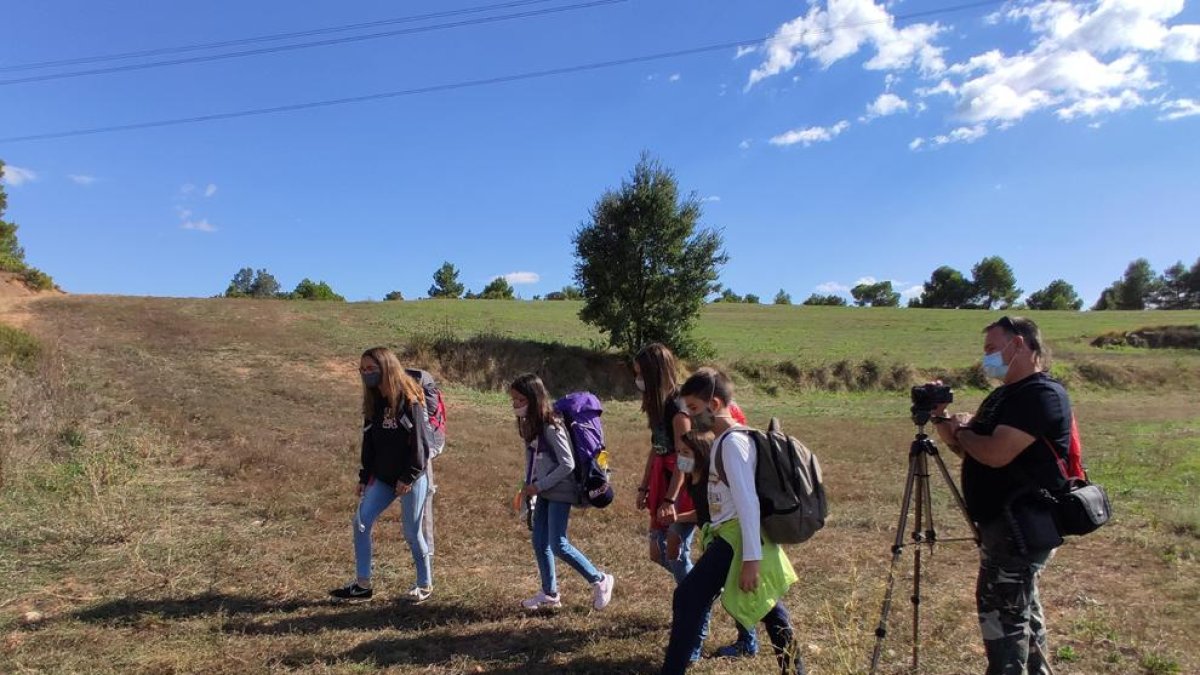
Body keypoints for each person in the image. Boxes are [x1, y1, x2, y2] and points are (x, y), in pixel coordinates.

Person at [932, 316, 1072, 675]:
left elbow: (995, 452)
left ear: (1019, 344)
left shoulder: (1041, 395)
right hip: (1002, 526)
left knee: (1002, 622)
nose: (987, 358)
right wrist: (942, 420)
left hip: (1020, 528)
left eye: (992, 349)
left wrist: (964, 432)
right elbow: (972, 450)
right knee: (1022, 614)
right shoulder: (1003, 396)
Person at [661, 368, 803, 675]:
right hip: (732, 536)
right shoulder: (726, 440)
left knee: (688, 598)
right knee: (768, 606)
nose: (690, 417)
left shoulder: (732, 443)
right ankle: (795, 670)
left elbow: (747, 502)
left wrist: (751, 558)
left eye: (694, 409)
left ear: (714, 404)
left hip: (737, 538)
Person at [330, 347, 434, 601]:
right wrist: (365, 477)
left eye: (371, 369)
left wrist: (407, 478)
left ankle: (425, 584)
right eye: (363, 369)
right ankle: (363, 584)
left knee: (411, 532)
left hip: (412, 478)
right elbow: (370, 442)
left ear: (386, 368)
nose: (366, 374)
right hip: (384, 478)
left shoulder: (409, 401)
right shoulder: (374, 402)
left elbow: (421, 445)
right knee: (361, 522)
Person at [510, 373, 615, 611]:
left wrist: (540, 485)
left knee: (558, 543)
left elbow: (568, 464)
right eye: (513, 400)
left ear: (533, 398)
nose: (514, 405)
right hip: (545, 489)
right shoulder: (531, 424)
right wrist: (529, 487)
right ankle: (550, 593)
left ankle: (600, 579)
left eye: (519, 400)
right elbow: (533, 460)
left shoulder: (550, 425)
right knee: (539, 541)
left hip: (561, 491)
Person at [673, 430, 763, 659]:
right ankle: (747, 642)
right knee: (729, 593)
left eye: (685, 453)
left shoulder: (706, 482)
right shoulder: (693, 478)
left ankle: (694, 649)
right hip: (715, 540)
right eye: (679, 452)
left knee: (702, 598)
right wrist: (676, 519)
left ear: (700, 455)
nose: (679, 458)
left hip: (725, 542)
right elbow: (702, 514)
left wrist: (679, 518)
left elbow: (708, 513)